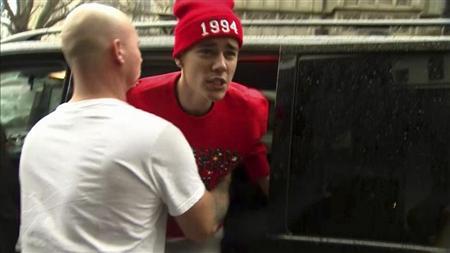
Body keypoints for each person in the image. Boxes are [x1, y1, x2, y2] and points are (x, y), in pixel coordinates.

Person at [19, 3, 230, 253]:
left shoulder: (37, 135)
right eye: (137, 45)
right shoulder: (156, 137)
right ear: (119, 51)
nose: (140, 55)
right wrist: (224, 183)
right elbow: (201, 228)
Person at [127, 0, 270, 252]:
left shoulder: (250, 110)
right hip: (138, 234)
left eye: (230, 53)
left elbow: (260, 166)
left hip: (203, 239)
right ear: (180, 57)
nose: (221, 65)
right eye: (207, 51)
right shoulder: (136, 100)